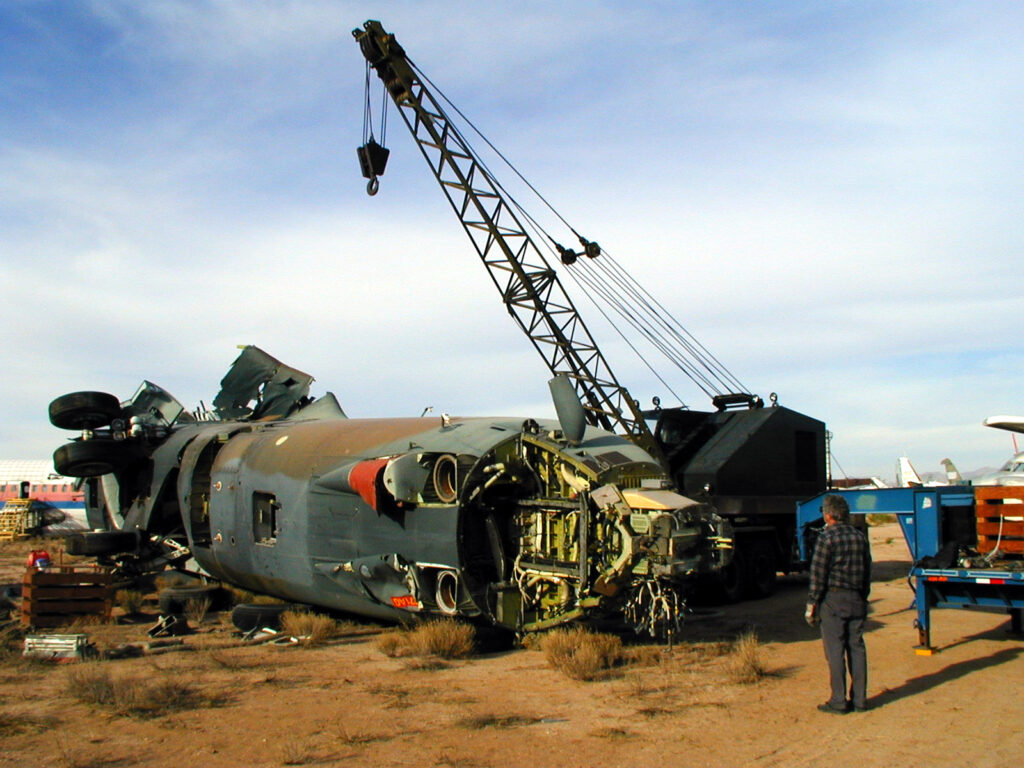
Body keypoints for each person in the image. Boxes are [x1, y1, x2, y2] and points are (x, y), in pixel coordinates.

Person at [805, 494, 871, 713]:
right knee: (857, 648)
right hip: (856, 598)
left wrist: (812, 604)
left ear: (828, 515)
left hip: (833, 600)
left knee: (835, 651)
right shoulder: (859, 537)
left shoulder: (826, 539)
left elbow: (818, 575)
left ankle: (839, 700)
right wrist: (863, 597)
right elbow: (867, 571)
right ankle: (860, 700)